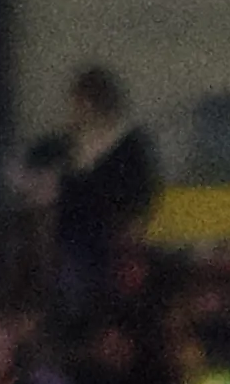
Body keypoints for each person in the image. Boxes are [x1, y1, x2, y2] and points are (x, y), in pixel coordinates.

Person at [27, 70, 159, 312]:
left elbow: (140, 194)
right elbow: (35, 171)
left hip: (108, 238)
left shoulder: (127, 145)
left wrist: (134, 227)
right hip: (69, 240)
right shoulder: (66, 144)